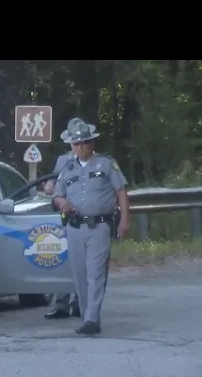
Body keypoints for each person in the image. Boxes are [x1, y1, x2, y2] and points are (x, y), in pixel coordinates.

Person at [52, 122, 130, 335]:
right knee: (80, 274)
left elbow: (121, 191)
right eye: (77, 144)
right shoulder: (67, 168)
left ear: (92, 143)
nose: (81, 147)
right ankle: (87, 314)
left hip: (99, 226)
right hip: (74, 227)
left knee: (95, 273)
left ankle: (92, 318)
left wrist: (124, 220)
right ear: (72, 146)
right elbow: (57, 194)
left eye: (85, 142)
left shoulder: (106, 164)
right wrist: (62, 203)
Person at [42, 118, 84, 320]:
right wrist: (49, 187)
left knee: (81, 260)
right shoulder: (63, 160)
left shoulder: (95, 161)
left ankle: (79, 302)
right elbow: (53, 182)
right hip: (63, 214)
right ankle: (61, 303)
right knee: (62, 257)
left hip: (84, 215)